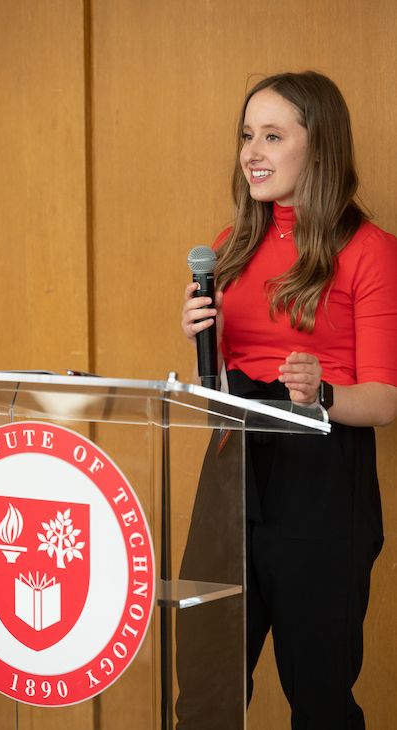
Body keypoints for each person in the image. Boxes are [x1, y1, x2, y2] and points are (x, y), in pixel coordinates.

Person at [177, 71, 397, 730]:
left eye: (273, 135)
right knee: (206, 692)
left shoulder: (368, 251)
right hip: (232, 471)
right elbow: (219, 392)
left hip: (322, 477)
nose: (252, 152)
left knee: (321, 696)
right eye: (248, 135)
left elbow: (384, 398)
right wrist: (201, 347)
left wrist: (320, 393)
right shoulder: (226, 248)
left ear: (321, 150)